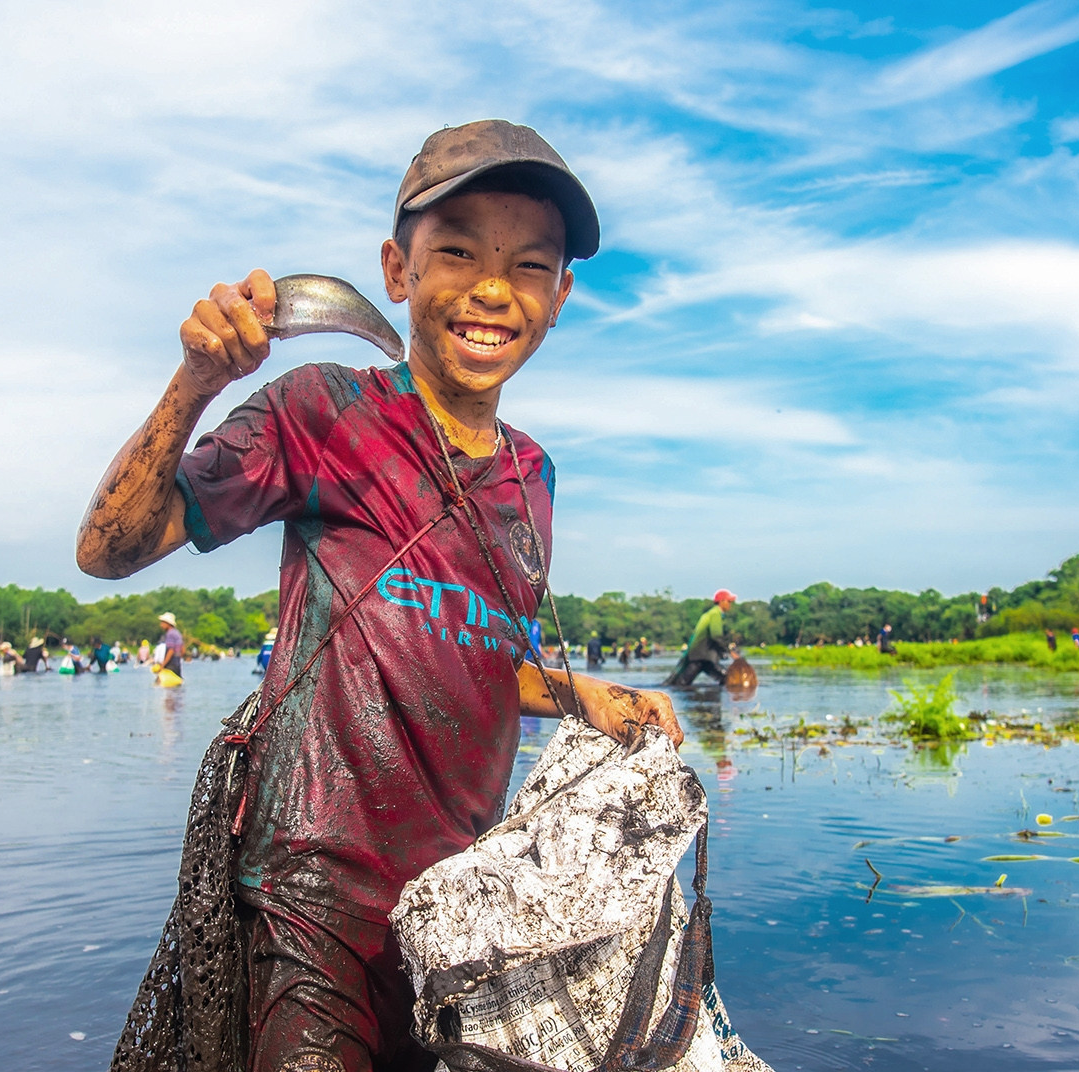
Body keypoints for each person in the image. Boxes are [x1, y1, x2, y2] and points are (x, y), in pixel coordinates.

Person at [73, 119, 680, 1072]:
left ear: (559, 298)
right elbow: (109, 548)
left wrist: (581, 694)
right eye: (457, 252)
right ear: (397, 272)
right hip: (313, 900)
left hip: (460, 911)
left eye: (527, 265)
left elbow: (477, 659)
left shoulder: (534, 476)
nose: (490, 288)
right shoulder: (322, 412)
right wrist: (194, 384)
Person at [667, 589, 737, 686]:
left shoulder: (711, 613)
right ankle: (710, 698)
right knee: (681, 684)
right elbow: (716, 636)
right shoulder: (715, 614)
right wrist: (730, 651)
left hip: (701, 656)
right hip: (701, 656)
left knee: (682, 683)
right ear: (721, 602)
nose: (730, 604)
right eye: (729, 601)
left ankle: (709, 697)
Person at [154, 613, 185, 678]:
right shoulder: (177, 633)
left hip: (171, 664)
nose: (161, 625)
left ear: (168, 623)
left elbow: (171, 651)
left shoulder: (170, 634)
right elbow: (183, 650)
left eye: (162, 623)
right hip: (177, 665)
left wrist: (163, 665)